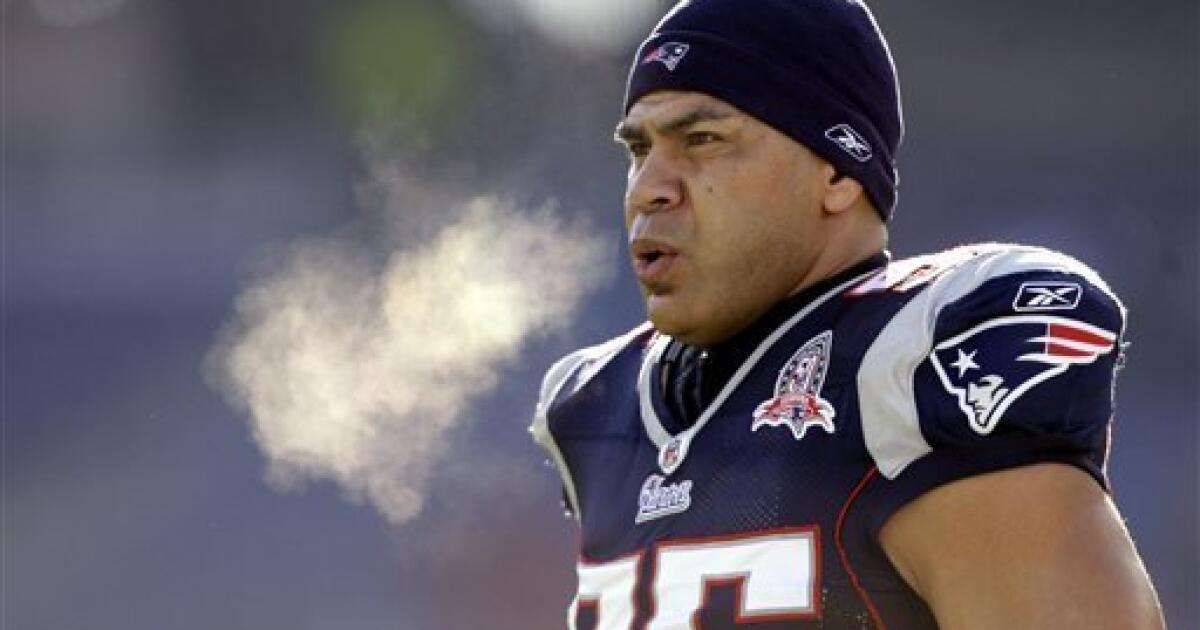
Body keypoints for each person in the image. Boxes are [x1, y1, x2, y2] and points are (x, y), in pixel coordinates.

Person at [530, 0, 1166, 627]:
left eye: (702, 140)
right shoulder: (596, 413)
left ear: (838, 173)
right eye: (639, 150)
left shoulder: (915, 363)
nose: (648, 187)